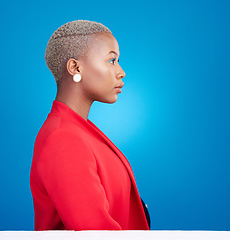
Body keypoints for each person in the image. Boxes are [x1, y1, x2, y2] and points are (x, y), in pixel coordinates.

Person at [30, 20, 150, 230]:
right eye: (111, 60)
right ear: (75, 67)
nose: (121, 72)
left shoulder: (79, 130)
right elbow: (95, 232)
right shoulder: (63, 138)